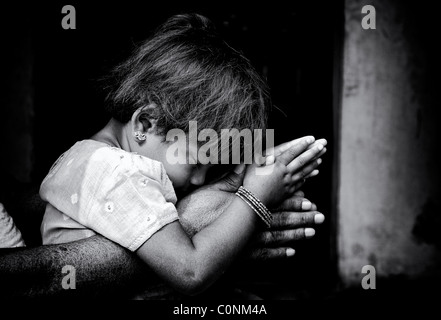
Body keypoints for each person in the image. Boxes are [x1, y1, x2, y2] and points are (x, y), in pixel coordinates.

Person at [0, 13, 327, 298]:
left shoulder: (84, 157)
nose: (198, 179)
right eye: (196, 162)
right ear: (145, 122)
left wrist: (234, 182)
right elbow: (191, 271)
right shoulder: (117, 173)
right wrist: (254, 197)